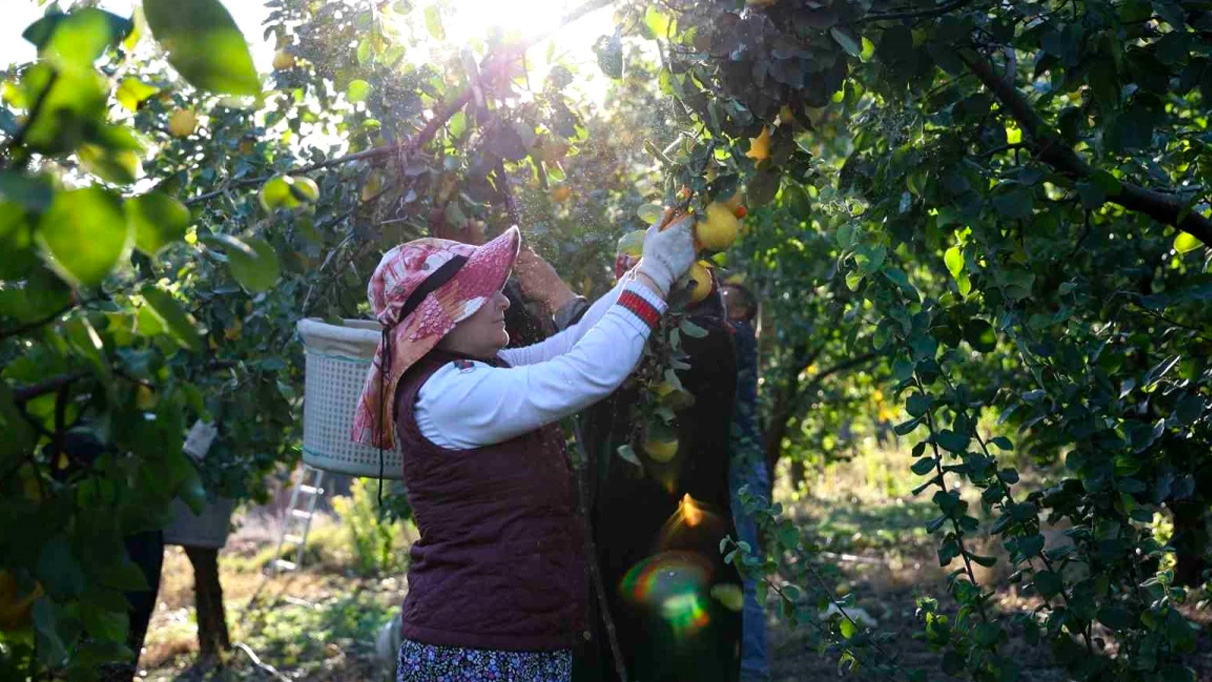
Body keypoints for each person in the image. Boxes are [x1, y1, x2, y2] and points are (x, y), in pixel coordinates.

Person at [350, 216, 698, 682]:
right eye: (485, 293)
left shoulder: (476, 373)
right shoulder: (447, 395)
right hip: (476, 654)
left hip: (514, 640)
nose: (504, 300)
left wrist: (644, 270)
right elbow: (588, 372)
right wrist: (656, 273)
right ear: (444, 314)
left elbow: (575, 342)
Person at [720, 279, 772, 682]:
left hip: (742, 468)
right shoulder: (734, 337)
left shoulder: (735, 336)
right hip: (739, 467)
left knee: (746, 571)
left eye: (724, 299)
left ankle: (752, 670)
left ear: (740, 312)